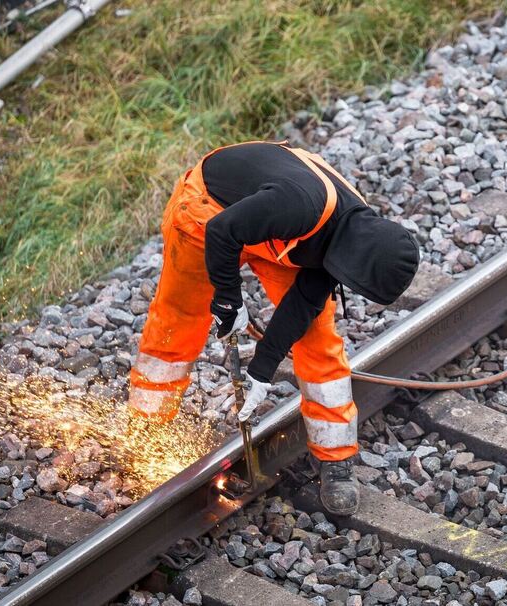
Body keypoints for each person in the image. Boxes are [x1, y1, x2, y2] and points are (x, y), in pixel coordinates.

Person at [127, 141, 419, 515]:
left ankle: (335, 456)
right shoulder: (300, 205)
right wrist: (229, 300)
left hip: (278, 231)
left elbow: (302, 306)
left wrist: (261, 370)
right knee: (179, 322)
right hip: (210, 211)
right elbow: (221, 231)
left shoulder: (357, 239)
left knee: (318, 340)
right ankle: (147, 429)